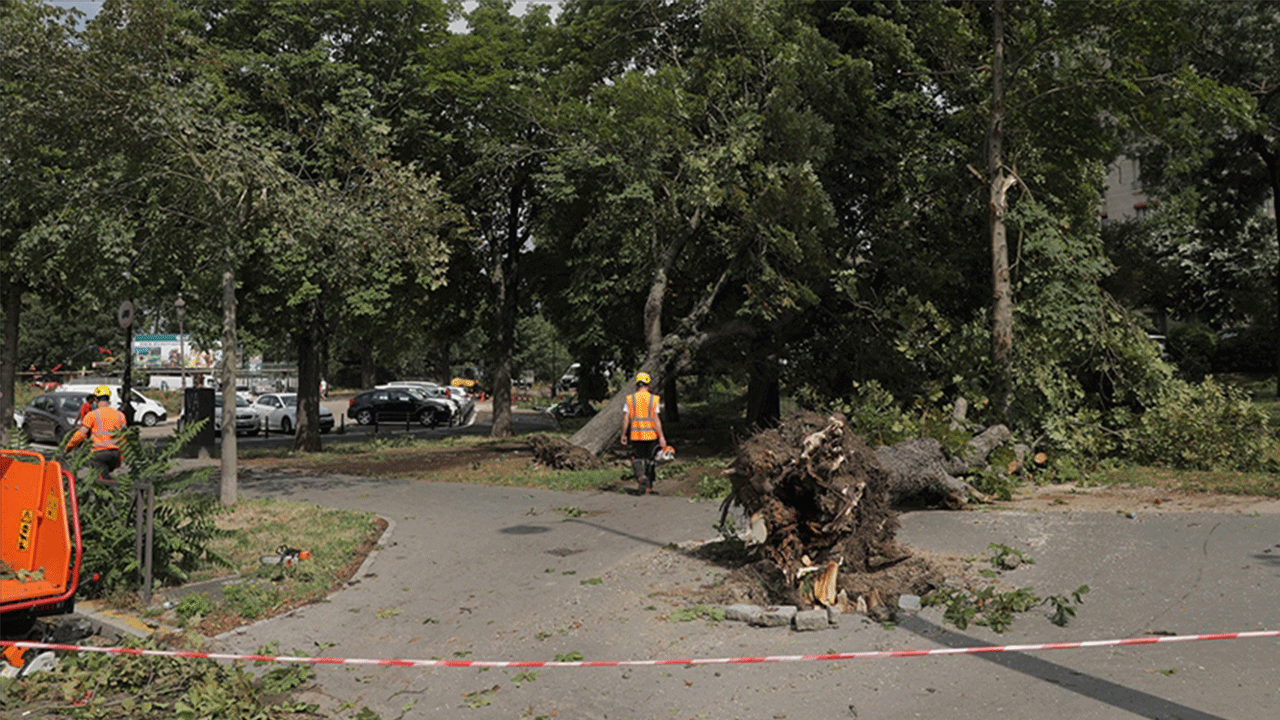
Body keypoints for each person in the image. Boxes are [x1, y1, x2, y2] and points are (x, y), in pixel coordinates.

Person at [65, 385, 128, 478]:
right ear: (108, 399)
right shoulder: (120, 415)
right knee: (107, 477)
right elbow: (125, 437)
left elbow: (80, 434)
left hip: (99, 454)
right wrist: (121, 457)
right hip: (115, 454)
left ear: (96, 399)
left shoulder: (92, 415)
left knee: (101, 482)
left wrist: (68, 448)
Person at [620, 371, 666, 494]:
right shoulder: (653, 399)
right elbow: (656, 419)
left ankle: (641, 477)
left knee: (636, 458)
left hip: (636, 434)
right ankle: (649, 487)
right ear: (648, 385)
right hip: (651, 435)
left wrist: (623, 434)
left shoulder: (630, 399)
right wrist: (661, 437)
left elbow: (626, 418)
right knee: (650, 460)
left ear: (637, 385)